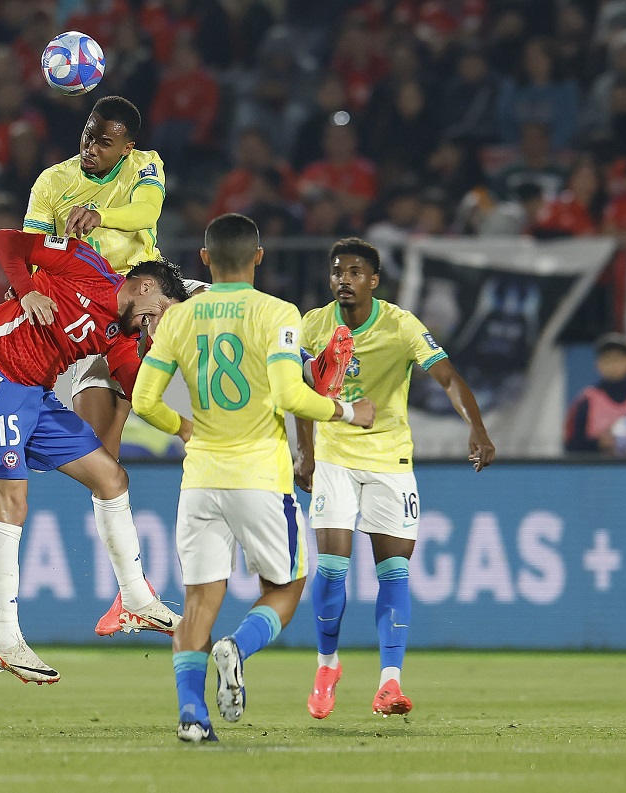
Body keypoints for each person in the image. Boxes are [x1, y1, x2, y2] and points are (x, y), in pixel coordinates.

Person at [129, 213, 370, 743]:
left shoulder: (177, 319)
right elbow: (289, 396)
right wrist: (348, 413)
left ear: (205, 259)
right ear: (259, 257)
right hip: (260, 475)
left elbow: (144, 402)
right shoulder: (278, 313)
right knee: (286, 586)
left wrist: (182, 426)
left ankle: (192, 716)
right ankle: (236, 648)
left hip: (200, 481)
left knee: (196, 603)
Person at [0, 229, 189, 684]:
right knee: (12, 505)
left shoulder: (121, 336)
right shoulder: (86, 263)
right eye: (159, 310)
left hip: (36, 398)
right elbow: (5, 240)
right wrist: (25, 294)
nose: (155, 320)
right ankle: (5, 638)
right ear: (144, 286)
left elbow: (140, 394)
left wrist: (161, 353)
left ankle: (136, 599)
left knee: (112, 478)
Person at [295, 237, 495, 720]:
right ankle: (327, 666)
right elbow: (298, 389)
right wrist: (307, 453)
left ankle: (390, 683)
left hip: (390, 460)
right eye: (338, 270)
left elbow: (447, 377)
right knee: (333, 568)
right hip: (336, 456)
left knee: (395, 573)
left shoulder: (401, 325)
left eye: (356, 271)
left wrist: (477, 428)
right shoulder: (312, 325)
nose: (345, 278)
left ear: (374, 280)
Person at [22, 95, 202, 459]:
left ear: (126, 148)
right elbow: (31, 249)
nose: (91, 148)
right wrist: (30, 289)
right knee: (101, 455)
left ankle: (309, 363)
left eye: (104, 143)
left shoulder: (144, 164)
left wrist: (99, 214)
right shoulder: (52, 182)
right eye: (88, 136)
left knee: (231, 304)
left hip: (150, 288)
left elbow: (148, 212)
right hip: (96, 311)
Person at [565, 333, 626, 455]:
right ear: (598, 364)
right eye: (607, 360)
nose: (613, 365)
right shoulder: (587, 399)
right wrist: (598, 443)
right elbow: (571, 443)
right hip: (599, 469)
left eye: (618, 359)